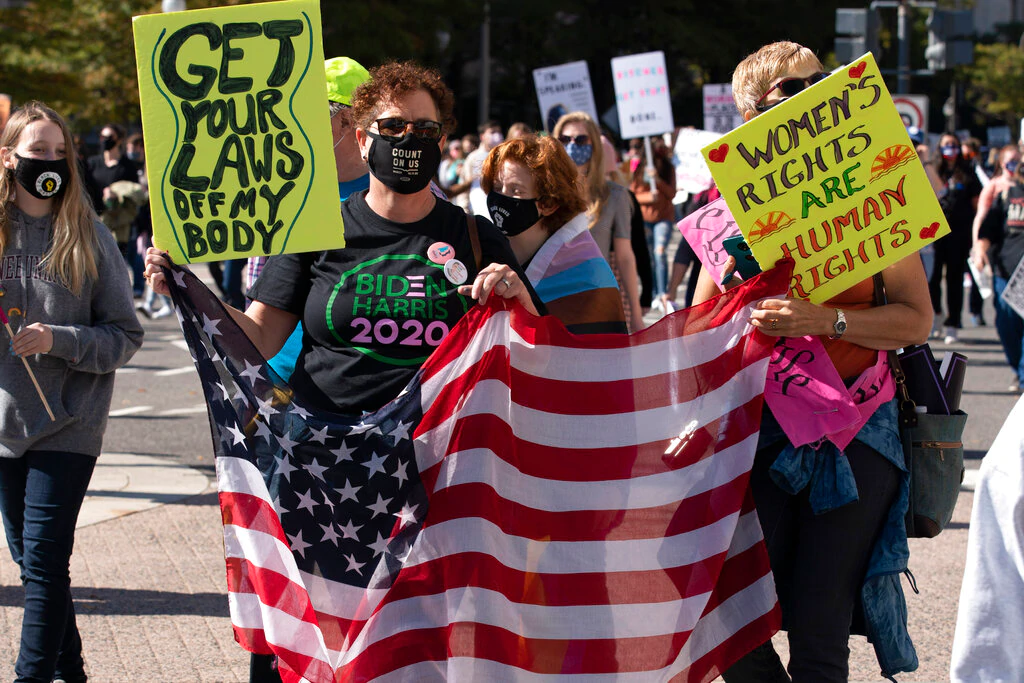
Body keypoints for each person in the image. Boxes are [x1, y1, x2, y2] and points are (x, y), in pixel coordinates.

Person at [692, 42, 932, 683]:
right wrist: (737, 307)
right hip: (759, 440)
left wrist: (823, 320)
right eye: (790, 94)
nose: (811, 101)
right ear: (753, 123)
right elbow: (696, 343)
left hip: (858, 434)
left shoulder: (875, 195)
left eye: (818, 86)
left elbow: (916, 318)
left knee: (822, 634)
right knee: (734, 627)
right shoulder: (722, 224)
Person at [147, 60, 541, 413]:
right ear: (362, 140)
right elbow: (259, 337)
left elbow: (542, 352)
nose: (408, 138)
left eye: (424, 129)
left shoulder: (475, 236)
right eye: (391, 126)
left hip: (439, 460)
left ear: (440, 143)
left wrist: (521, 300)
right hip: (328, 456)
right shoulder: (316, 228)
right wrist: (186, 287)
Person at [0, 101, 143, 683]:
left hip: (71, 424)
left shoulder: (91, 236)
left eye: (61, 152)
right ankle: (73, 670)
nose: (51, 162)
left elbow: (125, 334)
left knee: (44, 559)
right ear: (9, 158)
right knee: (33, 564)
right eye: (38, 152)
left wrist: (58, 339)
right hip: (5, 426)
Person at [246, 56, 372, 385]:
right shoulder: (281, 191)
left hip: (362, 390)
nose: (295, 123)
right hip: (278, 380)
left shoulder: (406, 193)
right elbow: (258, 291)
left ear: (346, 121)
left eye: (308, 112)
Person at [482, 134, 626, 333]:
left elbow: (594, 356)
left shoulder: (587, 274)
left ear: (548, 203)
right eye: (497, 187)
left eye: (516, 190)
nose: (501, 198)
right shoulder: (483, 248)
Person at [553, 112, 644, 332]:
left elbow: (625, 258)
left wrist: (636, 313)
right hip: (552, 302)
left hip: (596, 303)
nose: (572, 146)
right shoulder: (546, 194)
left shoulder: (616, 196)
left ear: (594, 144)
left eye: (581, 139)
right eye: (565, 140)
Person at [976, 158, 1024, 392]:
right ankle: (1018, 368)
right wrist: (980, 252)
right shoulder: (1005, 197)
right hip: (1006, 272)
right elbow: (988, 229)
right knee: (1006, 324)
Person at [930, 132, 982, 343]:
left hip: (959, 234)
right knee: (932, 280)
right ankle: (937, 315)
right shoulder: (934, 170)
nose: (950, 148)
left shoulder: (967, 173)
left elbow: (977, 204)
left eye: (954, 145)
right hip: (934, 233)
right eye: (946, 145)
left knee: (954, 279)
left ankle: (953, 323)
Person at [87, 123, 144, 295]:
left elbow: (135, 193)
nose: (105, 141)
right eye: (102, 137)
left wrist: (117, 194)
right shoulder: (93, 163)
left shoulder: (127, 166)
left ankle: (121, 293)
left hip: (121, 224)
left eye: (109, 137)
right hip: (95, 219)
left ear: (119, 139)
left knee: (118, 261)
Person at [629, 140, 676, 309]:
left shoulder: (669, 169)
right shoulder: (639, 169)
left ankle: (662, 292)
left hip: (663, 218)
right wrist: (649, 197)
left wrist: (658, 180)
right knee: (648, 256)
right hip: (644, 221)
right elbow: (632, 195)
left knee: (659, 252)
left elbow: (672, 193)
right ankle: (654, 291)